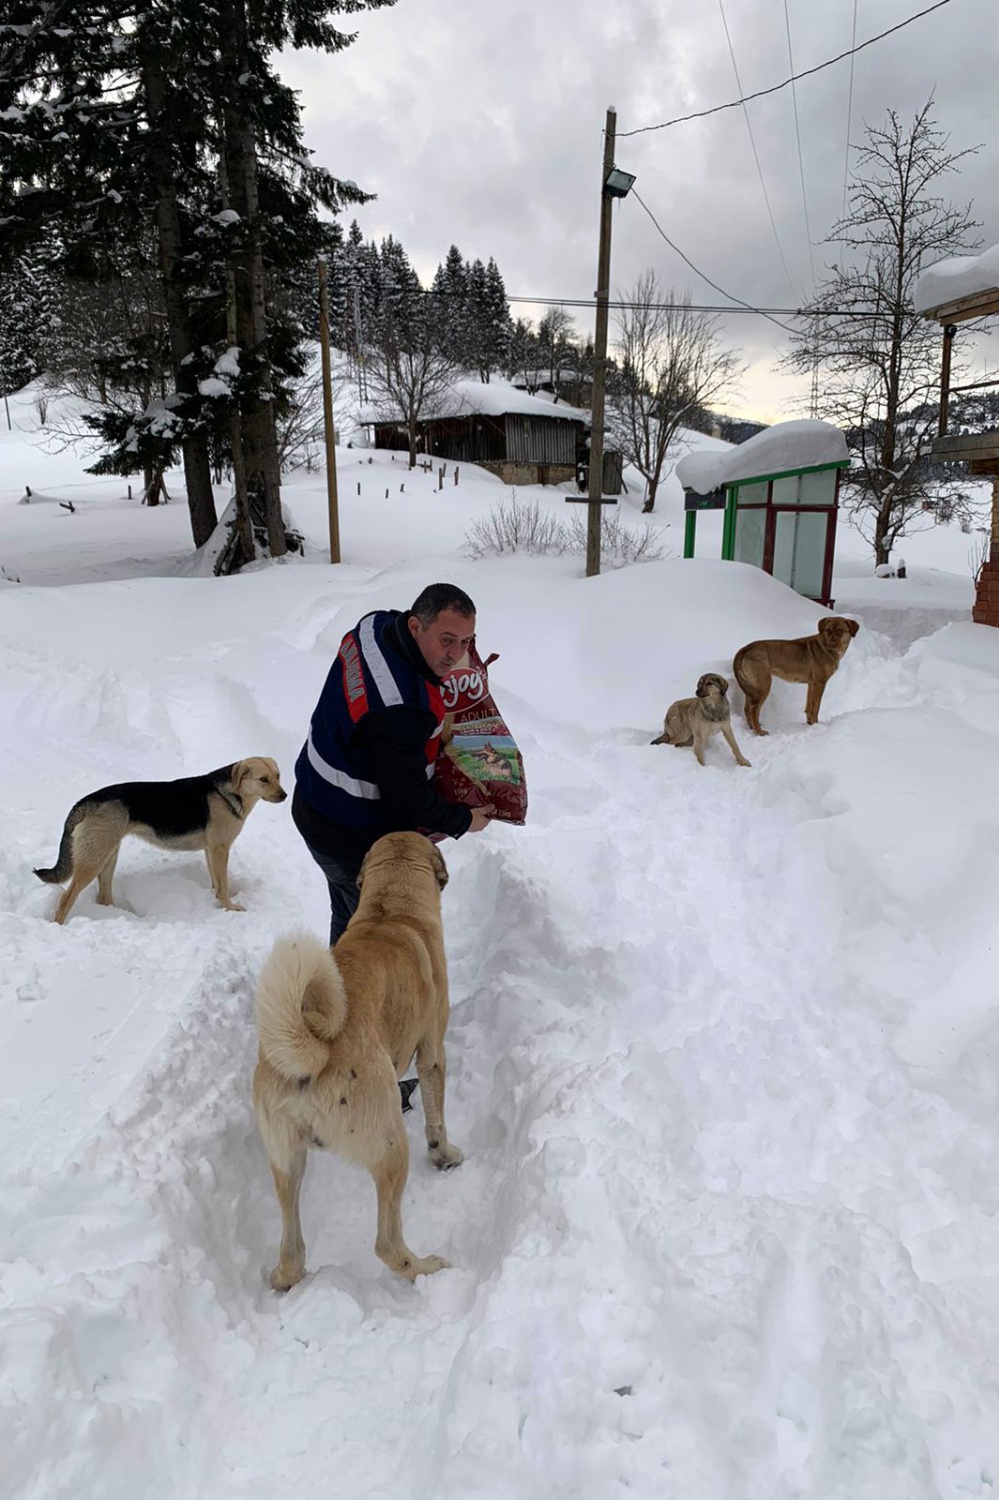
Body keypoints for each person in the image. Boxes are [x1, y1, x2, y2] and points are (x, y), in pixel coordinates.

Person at [293, 582, 495, 946]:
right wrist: (466, 820)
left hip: (314, 797)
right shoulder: (400, 706)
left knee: (348, 915)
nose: (456, 655)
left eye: (467, 642)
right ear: (416, 626)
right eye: (447, 640)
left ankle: (340, 983)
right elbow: (407, 798)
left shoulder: (375, 626)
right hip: (348, 835)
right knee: (374, 941)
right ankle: (354, 995)